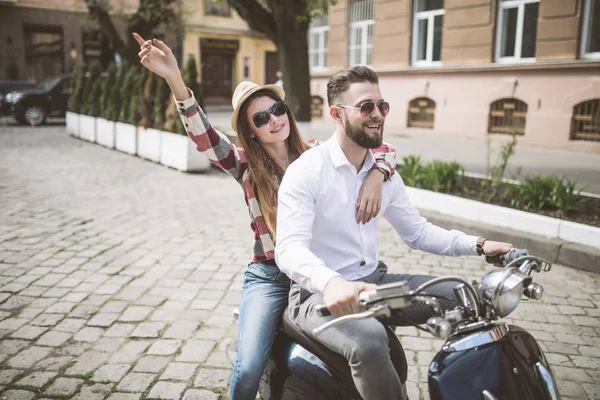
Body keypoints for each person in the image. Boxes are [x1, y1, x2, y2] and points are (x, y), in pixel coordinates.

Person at [132, 33, 398, 400]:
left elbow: (380, 145)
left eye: (277, 109)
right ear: (251, 133)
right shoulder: (245, 165)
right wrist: (174, 78)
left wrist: (377, 174)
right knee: (249, 365)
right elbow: (203, 136)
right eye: (261, 117)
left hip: (319, 269)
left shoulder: (317, 154)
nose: (274, 119)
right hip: (271, 274)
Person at [275, 65, 513, 400]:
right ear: (336, 114)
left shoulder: (384, 175)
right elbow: (288, 248)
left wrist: (479, 245)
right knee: (370, 339)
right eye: (366, 107)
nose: (377, 115)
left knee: (464, 296)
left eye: (382, 106)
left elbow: (418, 233)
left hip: (375, 283)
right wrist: (331, 282)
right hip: (316, 295)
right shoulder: (307, 172)